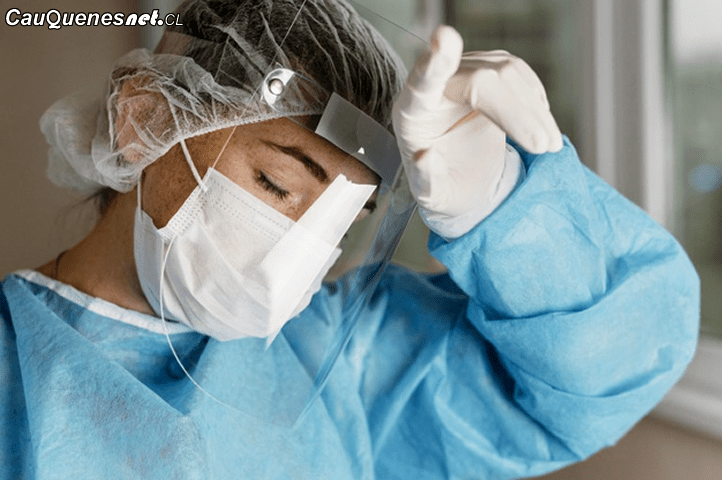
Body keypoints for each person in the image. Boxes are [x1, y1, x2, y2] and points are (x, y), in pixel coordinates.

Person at [0, 0, 699, 478]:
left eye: (341, 220)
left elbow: (614, 371)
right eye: (277, 184)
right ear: (145, 121)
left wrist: (504, 205)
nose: (296, 253)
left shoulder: (340, 363)